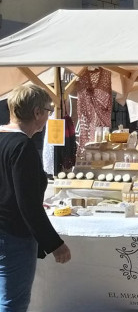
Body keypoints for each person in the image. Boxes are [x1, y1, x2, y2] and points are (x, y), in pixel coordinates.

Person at [0, 85, 71, 311]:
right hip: (12, 234)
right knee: (13, 302)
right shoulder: (22, 146)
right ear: (37, 113)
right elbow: (28, 205)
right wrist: (54, 244)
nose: (49, 116)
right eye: (49, 111)